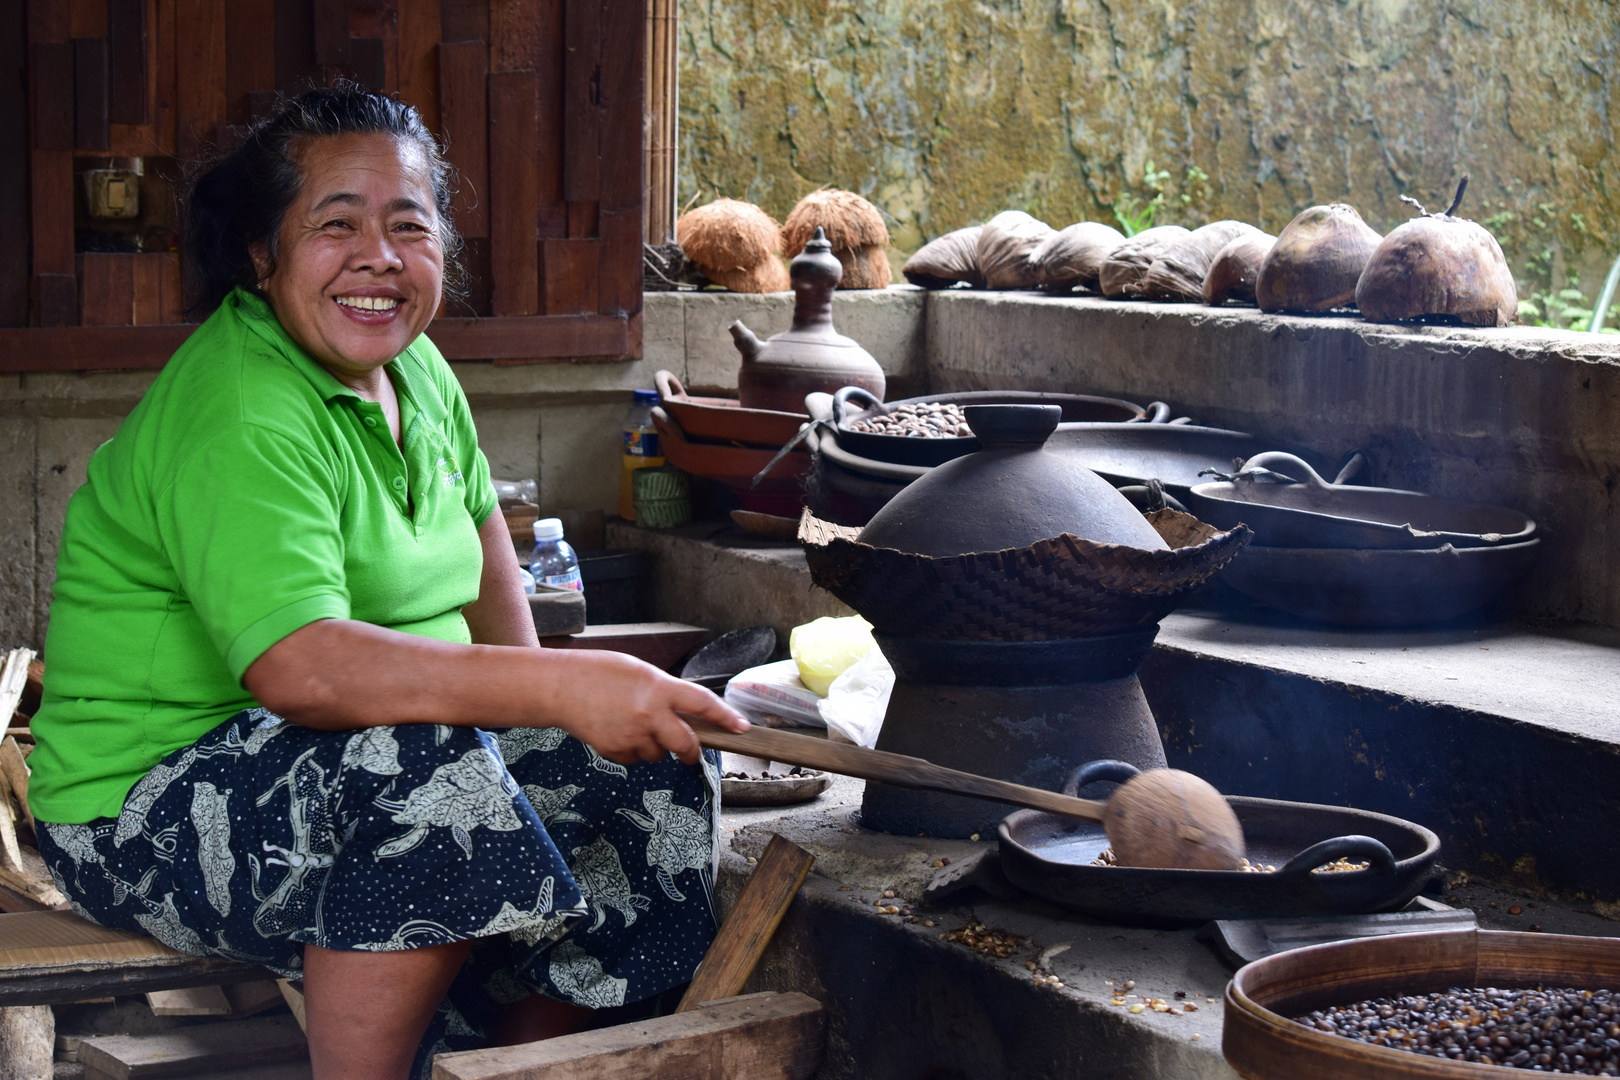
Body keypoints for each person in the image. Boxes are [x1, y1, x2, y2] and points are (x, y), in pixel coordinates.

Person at [26, 85, 747, 1080]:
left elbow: (485, 538)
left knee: (646, 769)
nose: (380, 258)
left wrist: (559, 716)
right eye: (337, 226)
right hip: (146, 801)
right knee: (431, 774)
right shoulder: (242, 407)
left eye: (410, 226)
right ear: (259, 253)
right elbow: (303, 670)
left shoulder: (415, 371)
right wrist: (558, 692)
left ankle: (521, 1067)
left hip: (322, 759)